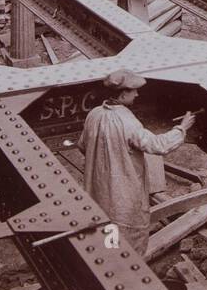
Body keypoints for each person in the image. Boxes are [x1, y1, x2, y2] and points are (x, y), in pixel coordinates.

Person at [78, 71, 196, 254]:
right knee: (129, 245)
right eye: (134, 91)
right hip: (122, 198)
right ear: (123, 94)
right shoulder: (128, 122)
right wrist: (182, 128)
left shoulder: (94, 114)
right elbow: (158, 145)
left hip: (98, 193)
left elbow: (82, 145)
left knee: (104, 239)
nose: (137, 94)